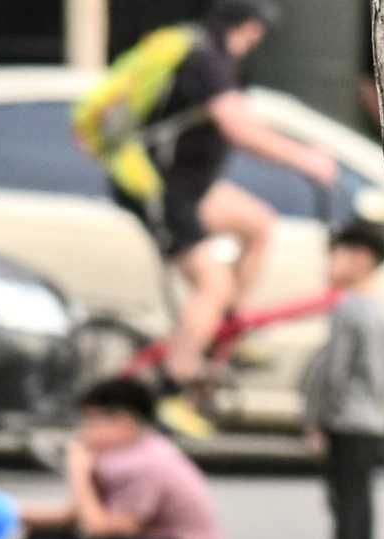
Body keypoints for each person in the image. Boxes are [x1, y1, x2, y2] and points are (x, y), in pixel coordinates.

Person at [103, 1, 337, 414]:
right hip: (161, 190)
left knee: (259, 223)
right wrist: (306, 159)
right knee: (213, 285)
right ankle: (172, 390)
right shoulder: (205, 60)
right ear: (249, 28)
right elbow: (240, 129)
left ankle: (223, 329)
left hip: (193, 188)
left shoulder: (211, 57)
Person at [19, 378, 224, 539]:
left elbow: (103, 529)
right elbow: (76, 516)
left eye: (92, 422)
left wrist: (78, 473)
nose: (84, 432)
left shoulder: (147, 462)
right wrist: (12, 513)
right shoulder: (119, 458)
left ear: (123, 423)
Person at [303, 220, 384, 539]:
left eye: (336, 256)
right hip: (371, 419)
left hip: (345, 419)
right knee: (361, 499)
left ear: (361, 259)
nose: (329, 265)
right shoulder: (378, 312)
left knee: (346, 501)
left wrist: (317, 420)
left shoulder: (347, 310)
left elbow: (335, 372)